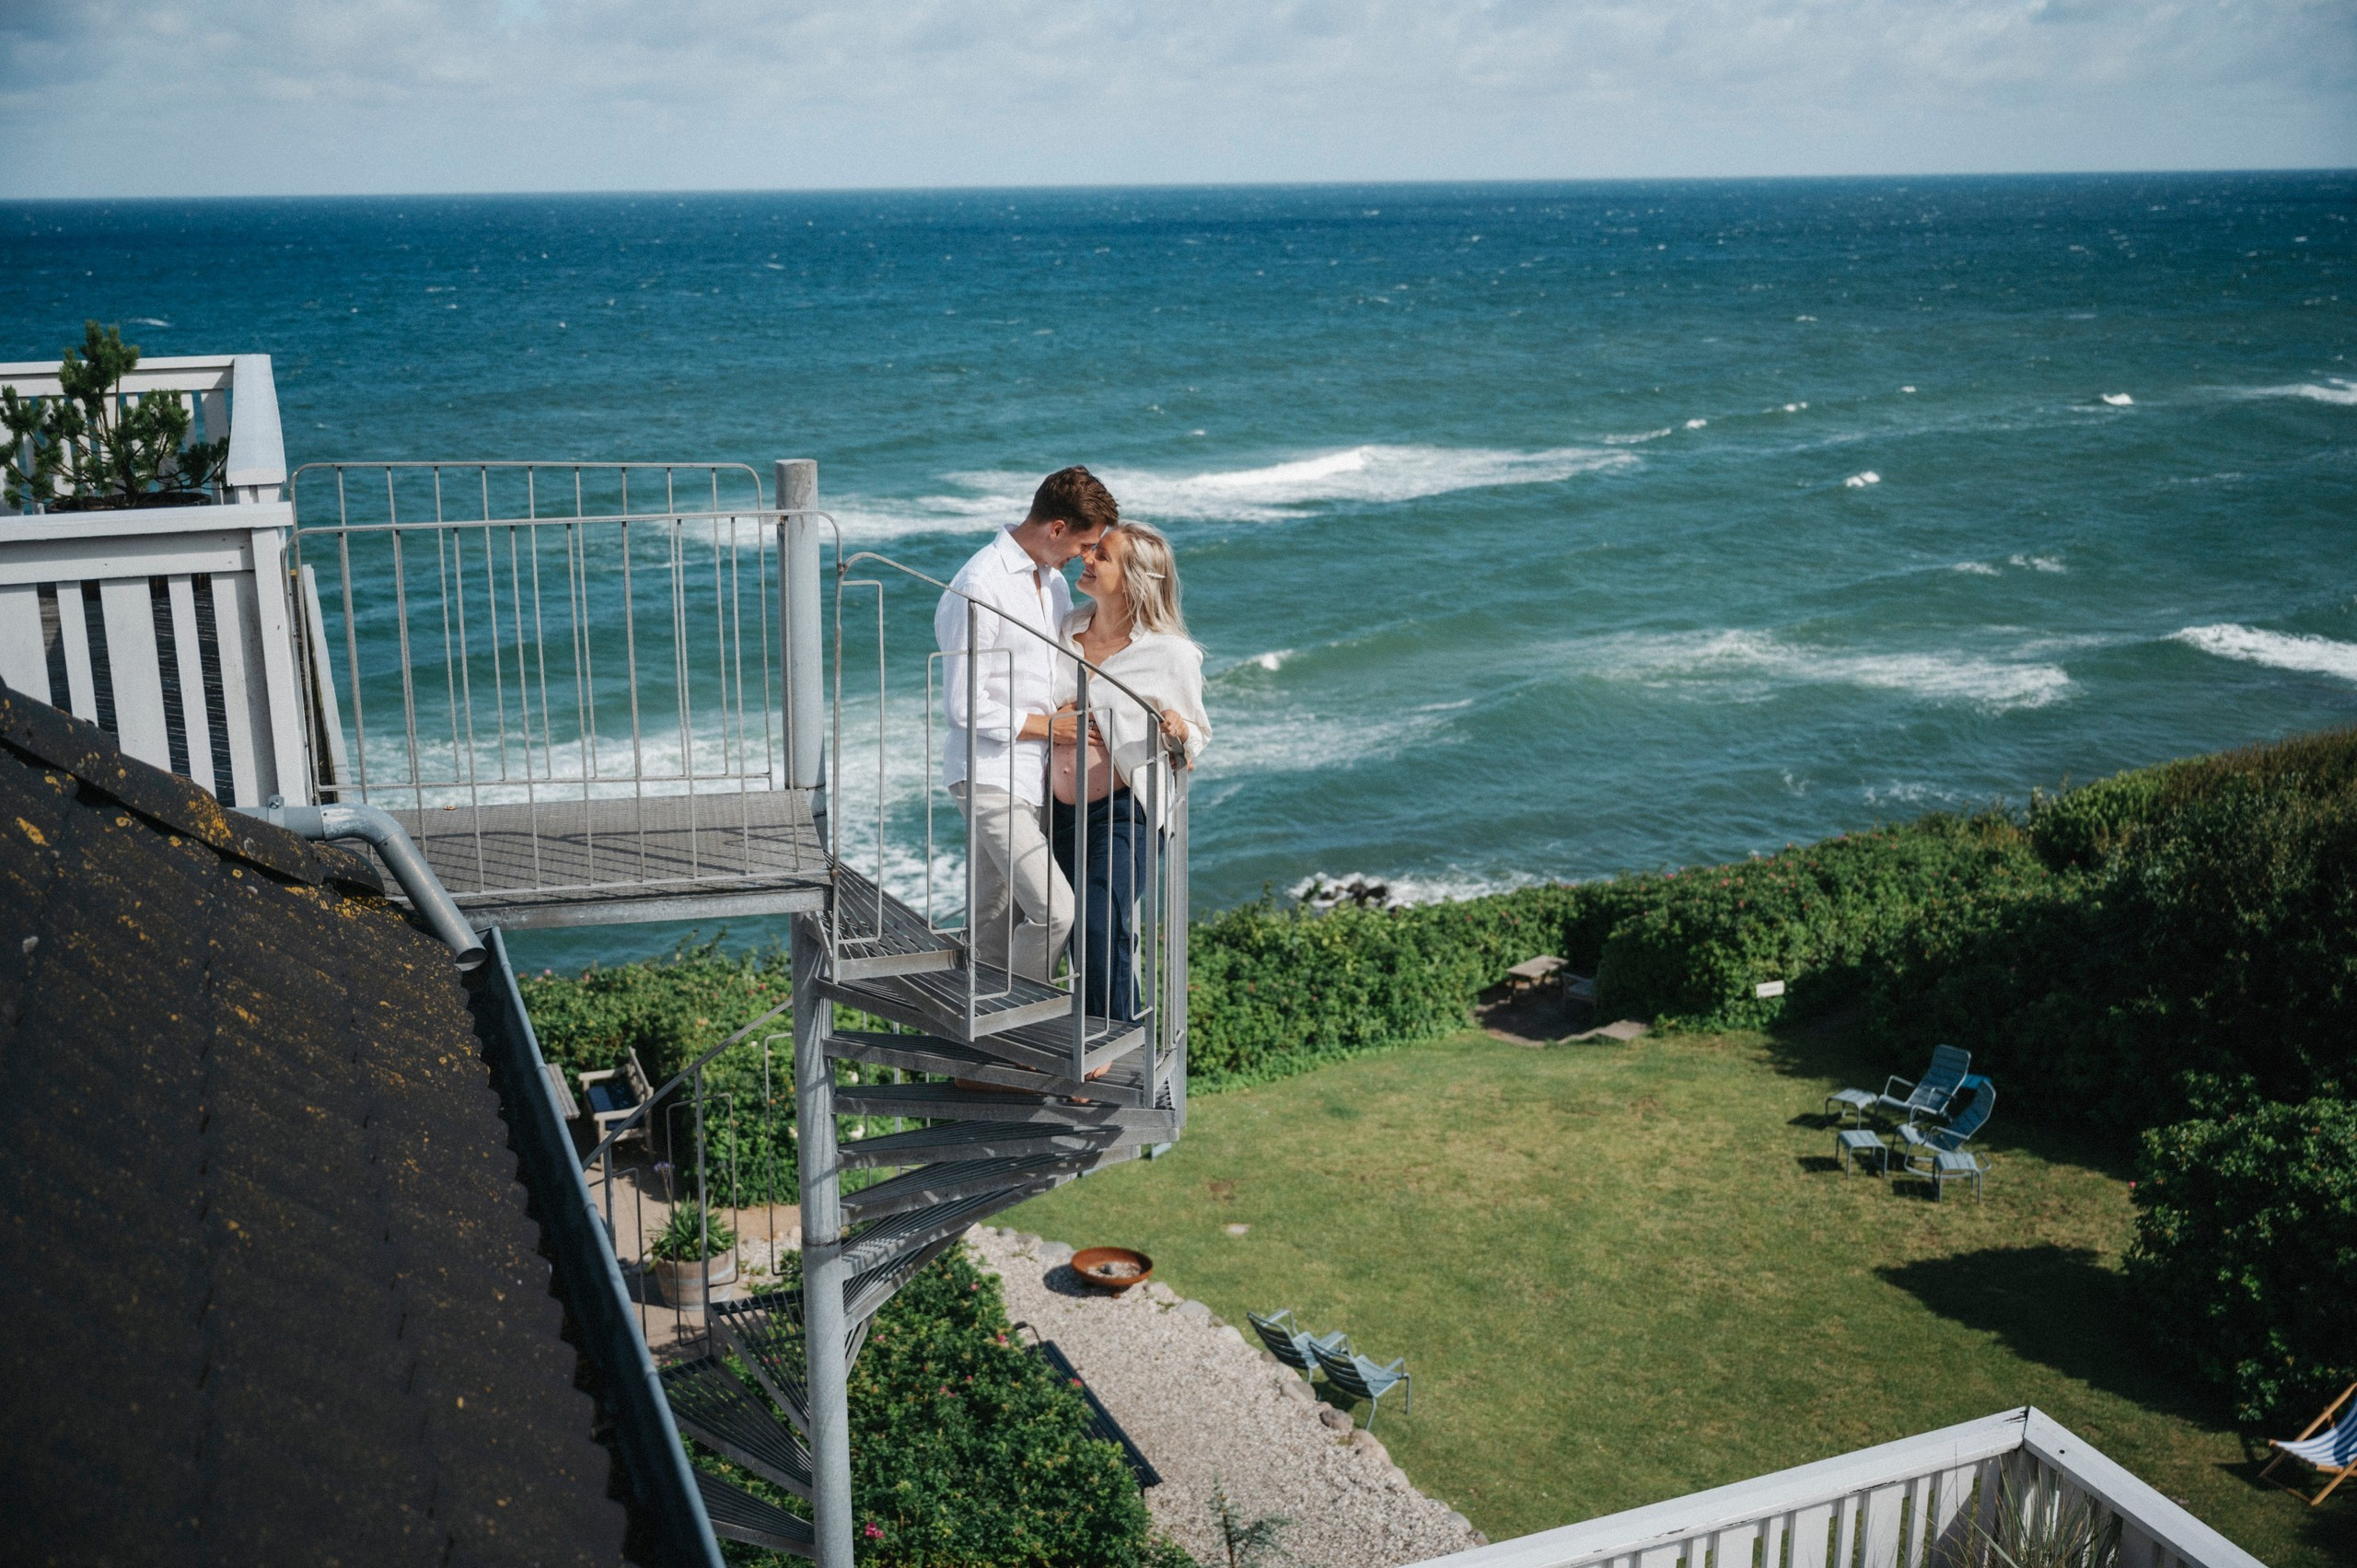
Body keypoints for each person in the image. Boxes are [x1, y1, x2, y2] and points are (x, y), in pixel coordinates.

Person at [935, 466, 1118, 983]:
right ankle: (1029, 1013)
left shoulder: (1053, 583)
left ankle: (983, 1026)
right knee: (1056, 911)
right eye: (1084, 543)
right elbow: (962, 705)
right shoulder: (979, 584)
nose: (1086, 556)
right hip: (988, 774)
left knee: (995, 922)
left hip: (1034, 777)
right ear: (1057, 528)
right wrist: (1049, 727)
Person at [1049, 521, 1210, 1022]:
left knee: (1101, 920)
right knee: (1063, 926)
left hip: (1125, 814)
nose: (1087, 558)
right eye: (1091, 550)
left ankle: (1111, 1041)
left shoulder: (1170, 653)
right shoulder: (1061, 631)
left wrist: (1178, 729)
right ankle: (1086, 1028)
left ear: (1135, 579)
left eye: (1102, 555)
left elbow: (1197, 735)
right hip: (1054, 812)